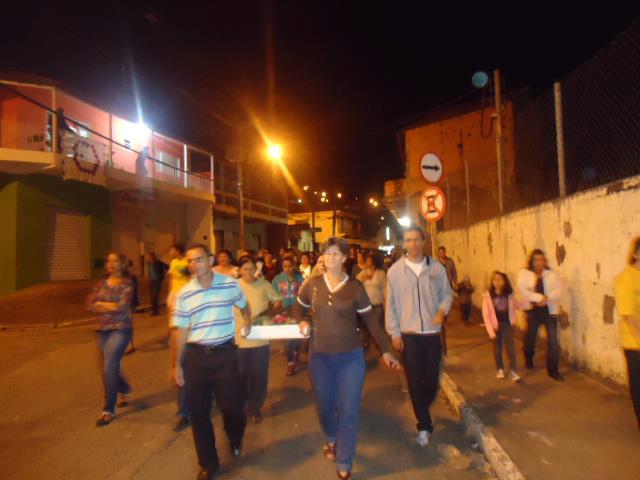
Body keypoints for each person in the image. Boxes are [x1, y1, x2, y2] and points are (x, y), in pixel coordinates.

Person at [294, 237, 400, 479]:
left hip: (350, 358)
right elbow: (298, 307)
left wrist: (385, 350)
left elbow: (371, 319)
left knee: (349, 409)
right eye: (327, 253)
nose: (330, 258)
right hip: (320, 357)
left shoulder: (355, 287)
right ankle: (331, 437)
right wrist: (301, 321)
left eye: (335, 254)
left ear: (344, 258)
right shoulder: (313, 284)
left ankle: (344, 459)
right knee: (325, 406)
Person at [171, 244, 252, 480]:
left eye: (199, 259)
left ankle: (235, 437)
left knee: (232, 407)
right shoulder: (184, 293)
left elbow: (244, 305)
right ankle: (209, 464)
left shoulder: (229, 284)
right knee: (199, 413)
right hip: (196, 357)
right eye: (190, 261)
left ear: (210, 259)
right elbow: (181, 331)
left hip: (225, 354)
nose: (194, 264)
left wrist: (247, 320)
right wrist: (177, 364)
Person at [386, 225, 453, 447]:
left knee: (432, 379)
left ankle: (423, 405)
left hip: (432, 333)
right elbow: (390, 305)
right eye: (408, 240)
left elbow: (447, 294)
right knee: (414, 380)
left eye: (416, 239)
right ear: (404, 243)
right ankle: (424, 424)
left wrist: (442, 310)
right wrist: (394, 333)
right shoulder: (395, 272)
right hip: (409, 334)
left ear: (424, 241)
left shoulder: (436, 268)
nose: (412, 243)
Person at [85, 252, 134, 427]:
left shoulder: (127, 283)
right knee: (107, 366)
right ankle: (124, 388)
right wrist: (109, 306)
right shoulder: (100, 284)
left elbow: (122, 305)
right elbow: (88, 304)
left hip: (121, 329)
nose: (111, 264)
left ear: (122, 264)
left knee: (109, 366)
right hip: (101, 329)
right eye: (109, 261)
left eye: (115, 261)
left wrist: (100, 304)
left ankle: (108, 409)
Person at [236, 256, 282, 423]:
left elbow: (277, 301)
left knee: (259, 375)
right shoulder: (234, 286)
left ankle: (255, 408)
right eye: (245, 269)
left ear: (256, 269)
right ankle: (242, 405)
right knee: (240, 375)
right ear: (239, 270)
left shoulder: (264, 284)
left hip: (260, 338)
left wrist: (270, 313)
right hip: (239, 339)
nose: (248, 273)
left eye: (251, 269)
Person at [517, 249, 564, 381]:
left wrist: (547, 298)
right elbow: (524, 291)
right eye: (536, 259)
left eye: (541, 259)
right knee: (530, 338)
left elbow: (559, 290)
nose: (539, 262)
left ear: (545, 261)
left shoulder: (551, 274)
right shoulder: (525, 274)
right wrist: (540, 298)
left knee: (553, 340)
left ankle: (553, 370)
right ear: (532, 261)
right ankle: (528, 358)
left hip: (549, 311)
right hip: (533, 310)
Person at [614, 237, 640, 430]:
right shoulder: (625, 279)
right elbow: (628, 315)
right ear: (636, 253)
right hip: (634, 342)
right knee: (638, 385)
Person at [167, 243, 192, 430]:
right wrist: (174, 363)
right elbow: (177, 330)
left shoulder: (213, 289)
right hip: (187, 340)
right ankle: (183, 413)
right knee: (184, 372)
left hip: (208, 346)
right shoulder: (180, 297)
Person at [482, 272, 521, 382]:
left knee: (510, 348)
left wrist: (528, 304)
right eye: (495, 279)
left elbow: (516, 305)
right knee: (498, 348)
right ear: (492, 282)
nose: (497, 282)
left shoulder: (509, 295)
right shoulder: (488, 296)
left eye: (500, 279)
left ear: (505, 281)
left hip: (508, 324)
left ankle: (513, 371)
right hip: (496, 326)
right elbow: (486, 315)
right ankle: (500, 369)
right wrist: (491, 331)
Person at [272, 257, 305, 376]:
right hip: (284, 312)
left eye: (289, 266)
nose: (287, 268)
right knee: (288, 339)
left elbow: (305, 295)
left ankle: (296, 354)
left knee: (297, 337)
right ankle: (290, 363)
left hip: (298, 310)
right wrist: (276, 304)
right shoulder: (277, 279)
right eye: (285, 266)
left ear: (293, 266)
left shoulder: (300, 278)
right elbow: (274, 296)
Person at [356, 254, 386, 331]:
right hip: (366, 305)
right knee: (366, 327)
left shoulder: (381, 273)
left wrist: (386, 304)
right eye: (366, 261)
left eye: (368, 261)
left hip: (377, 304)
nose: (366, 262)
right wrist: (363, 279)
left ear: (374, 262)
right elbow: (356, 285)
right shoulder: (363, 272)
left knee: (376, 327)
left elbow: (384, 289)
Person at [436, 246, 457, 356]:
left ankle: (445, 317)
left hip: (448, 284)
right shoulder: (435, 263)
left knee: (448, 303)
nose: (442, 254)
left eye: (443, 252)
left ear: (445, 252)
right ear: (438, 253)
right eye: (440, 252)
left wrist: (455, 282)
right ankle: (443, 318)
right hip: (439, 286)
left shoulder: (450, 261)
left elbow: (454, 272)